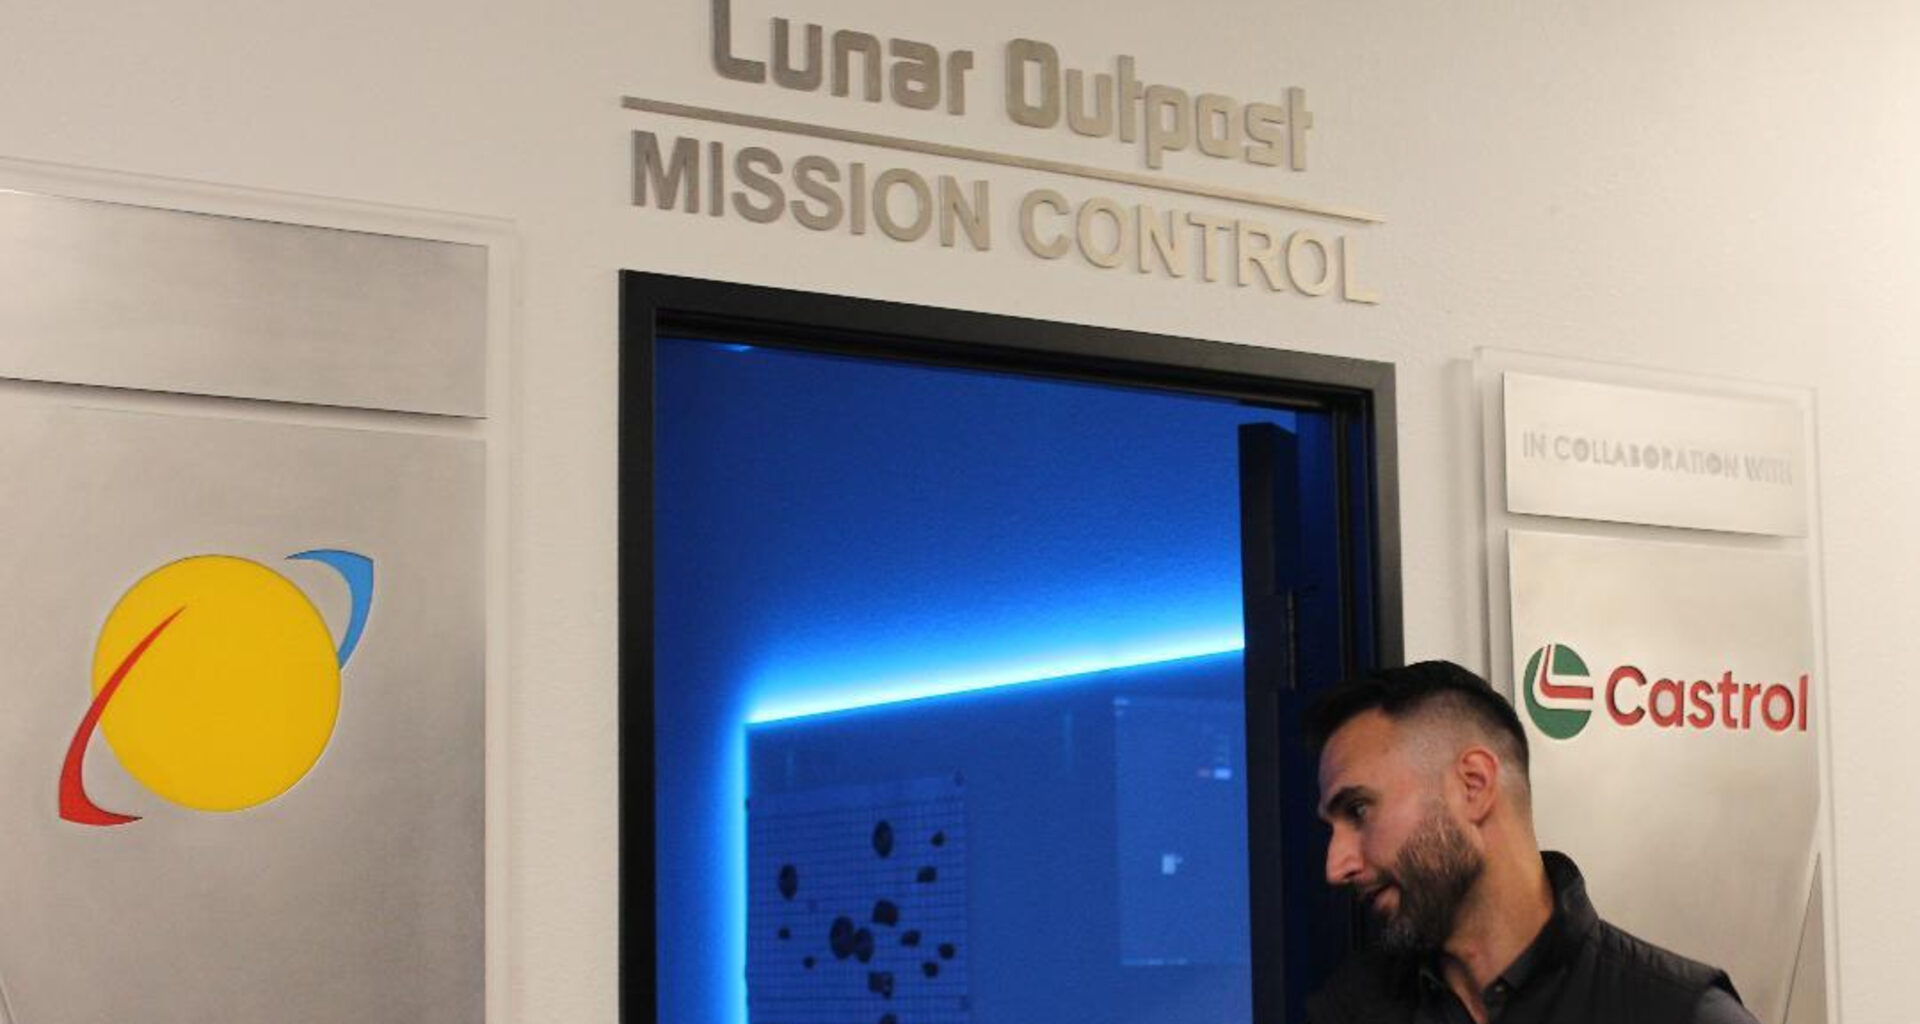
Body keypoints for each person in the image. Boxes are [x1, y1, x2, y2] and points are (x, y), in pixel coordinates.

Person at [1303, 660, 1758, 1024]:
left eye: (1359, 811)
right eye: (1333, 826)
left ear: (1473, 786)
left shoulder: (1678, 1013)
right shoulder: (1349, 1011)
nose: (1336, 865)